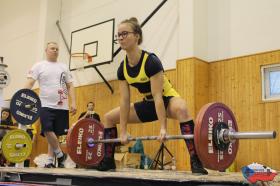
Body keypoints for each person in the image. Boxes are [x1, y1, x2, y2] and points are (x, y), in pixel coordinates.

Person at [96, 17, 208, 174]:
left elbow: (158, 96)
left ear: (137, 36)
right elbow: (124, 100)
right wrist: (122, 131)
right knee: (108, 117)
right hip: (149, 103)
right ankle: (108, 161)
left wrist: (163, 128)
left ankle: (195, 160)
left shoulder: (151, 62)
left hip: (166, 100)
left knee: (182, 108)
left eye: (125, 34)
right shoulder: (122, 69)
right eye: (118, 35)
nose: (121, 38)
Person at [25, 42, 77, 168]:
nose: (55, 50)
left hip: (62, 105)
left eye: (57, 49)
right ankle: (60, 155)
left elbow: (70, 86)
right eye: (52, 48)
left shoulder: (63, 67)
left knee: (56, 133)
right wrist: (22, 96)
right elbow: (30, 83)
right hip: (45, 105)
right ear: (46, 50)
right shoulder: (39, 65)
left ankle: (50, 160)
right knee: (47, 129)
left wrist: (73, 102)